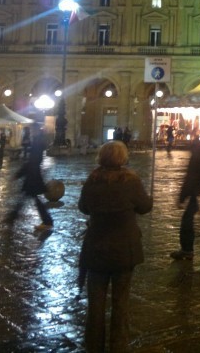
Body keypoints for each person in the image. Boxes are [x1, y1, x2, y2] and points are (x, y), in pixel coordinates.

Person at [79, 141, 153, 352]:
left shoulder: (92, 180)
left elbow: (83, 207)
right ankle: (118, 346)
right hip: (124, 250)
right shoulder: (131, 181)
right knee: (121, 304)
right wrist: (150, 199)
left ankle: (94, 346)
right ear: (123, 158)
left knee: (95, 305)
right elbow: (145, 207)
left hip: (96, 248)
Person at [5, 128, 52, 231]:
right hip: (33, 175)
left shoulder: (36, 143)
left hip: (33, 176)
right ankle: (12, 217)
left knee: (31, 198)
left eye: (32, 130)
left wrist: (18, 174)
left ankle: (47, 221)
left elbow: (31, 162)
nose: (31, 132)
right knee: (28, 198)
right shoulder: (38, 142)